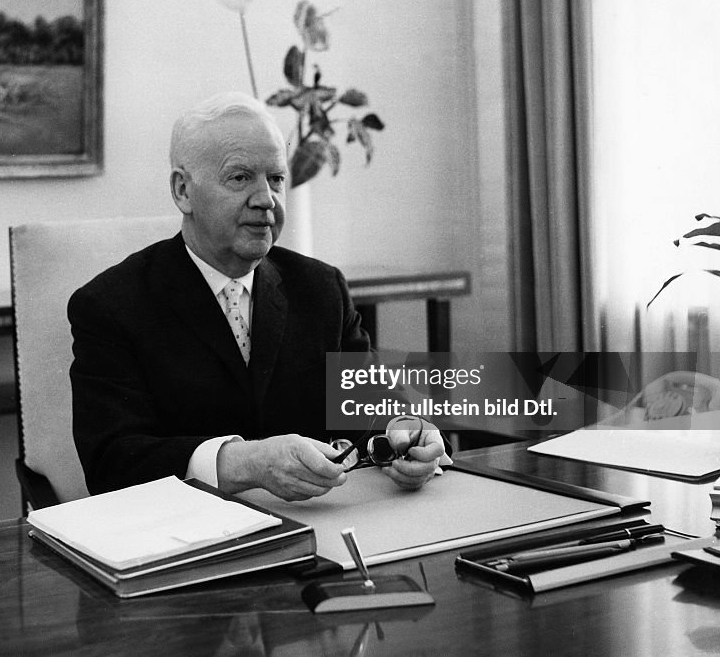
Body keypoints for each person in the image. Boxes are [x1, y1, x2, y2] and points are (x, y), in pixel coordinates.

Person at [70, 91, 448, 500]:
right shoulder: (111, 306)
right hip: (190, 543)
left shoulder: (321, 289)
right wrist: (244, 462)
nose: (266, 199)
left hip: (321, 530)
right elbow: (111, 463)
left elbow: (368, 410)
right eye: (240, 177)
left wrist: (406, 435)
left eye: (277, 179)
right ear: (183, 191)